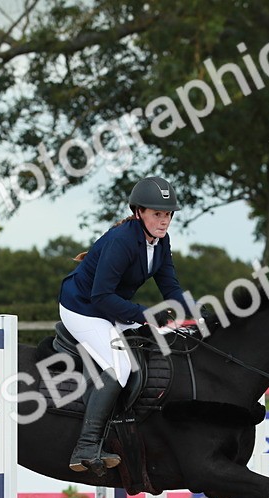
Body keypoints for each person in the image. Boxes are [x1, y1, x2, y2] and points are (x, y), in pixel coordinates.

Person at [58, 176, 192, 474]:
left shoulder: (160, 241)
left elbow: (170, 287)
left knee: (160, 344)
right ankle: (86, 446)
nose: (164, 220)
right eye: (157, 213)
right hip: (83, 308)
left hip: (111, 307)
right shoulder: (121, 241)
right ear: (138, 212)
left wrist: (194, 311)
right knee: (118, 367)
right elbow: (101, 296)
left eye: (168, 214)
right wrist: (144, 314)